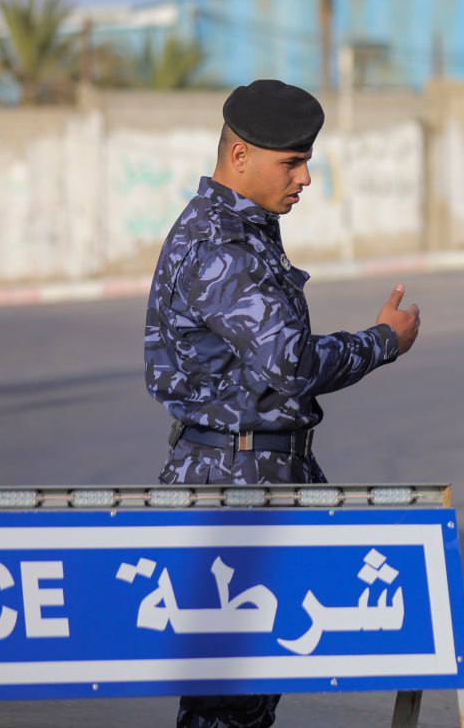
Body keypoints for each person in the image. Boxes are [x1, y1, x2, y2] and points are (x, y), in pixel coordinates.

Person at [143, 78, 421, 728]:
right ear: (240, 156)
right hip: (236, 480)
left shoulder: (239, 227)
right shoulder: (224, 242)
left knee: (247, 686)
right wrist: (384, 341)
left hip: (254, 472)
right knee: (230, 694)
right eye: (291, 162)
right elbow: (290, 363)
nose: (304, 178)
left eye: (305, 161)